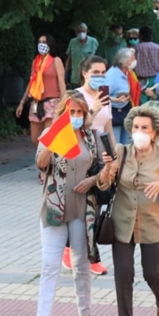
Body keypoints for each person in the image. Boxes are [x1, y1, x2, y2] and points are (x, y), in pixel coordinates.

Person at [97, 103, 159, 316]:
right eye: (136, 127)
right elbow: (104, 185)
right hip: (122, 223)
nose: (139, 131)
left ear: (154, 132)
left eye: (144, 128)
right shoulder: (120, 151)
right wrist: (107, 168)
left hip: (153, 224)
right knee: (123, 275)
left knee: (152, 273)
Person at [18, 92, 101, 316]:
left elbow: (103, 168)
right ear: (62, 112)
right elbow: (40, 164)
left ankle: (85, 313)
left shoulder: (92, 137)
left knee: (80, 263)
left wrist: (93, 180)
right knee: (49, 265)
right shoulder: (51, 134)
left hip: (82, 207)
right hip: (55, 207)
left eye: (79, 113)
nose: (75, 117)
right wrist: (53, 143)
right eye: (71, 112)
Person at [66, 56, 114, 276]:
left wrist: (114, 154)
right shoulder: (77, 96)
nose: (100, 77)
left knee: (98, 202)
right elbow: (72, 127)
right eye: (95, 73)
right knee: (85, 206)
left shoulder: (104, 96)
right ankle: (86, 255)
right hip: (80, 153)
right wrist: (92, 109)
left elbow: (108, 127)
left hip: (100, 153)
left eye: (103, 72)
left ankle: (77, 250)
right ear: (84, 73)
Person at [18, 34, 67, 145]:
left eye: (44, 42)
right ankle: (44, 160)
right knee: (35, 139)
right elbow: (31, 82)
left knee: (49, 137)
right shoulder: (35, 62)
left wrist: (64, 103)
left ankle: (50, 161)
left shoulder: (56, 61)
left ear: (50, 44)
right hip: (36, 102)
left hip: (52, 102)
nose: (42, 45)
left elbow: (61, 83)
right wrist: (22, 102)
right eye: (40, 42)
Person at [106, 48, 137, 145]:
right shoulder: (112, 76)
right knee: (116, 145)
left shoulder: (128, 72)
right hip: (114, 112)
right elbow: (102, 95)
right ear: (125, 61)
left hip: (126, 110)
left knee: (126, 144)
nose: (135, 60)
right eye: (132, 58)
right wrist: (116, 100)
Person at [66, 23, 100, 87]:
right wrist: (66, 73)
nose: (81, 33)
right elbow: (69, 58)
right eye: (79, 31)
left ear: (86, 31)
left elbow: (98, 58)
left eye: (83, 31)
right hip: (75, 77)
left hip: (89, 77)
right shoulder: (72, 42)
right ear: (76, 32)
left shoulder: (93, 42)